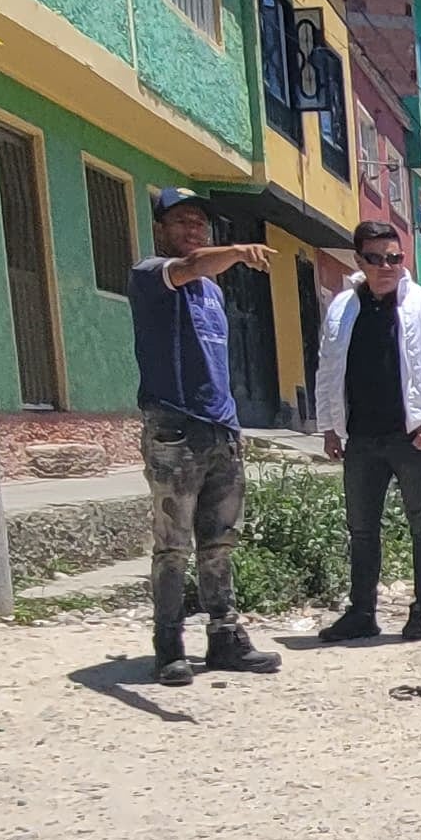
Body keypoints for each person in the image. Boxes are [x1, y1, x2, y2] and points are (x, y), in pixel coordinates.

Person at [127, 190, 281, 686]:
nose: (194, 229)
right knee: (172, 544)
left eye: (200, 223)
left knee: (220, 542)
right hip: (174, 427)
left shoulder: (213, 293)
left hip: (219, 428)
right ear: (161, 229)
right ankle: (168, 644)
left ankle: (225, 637)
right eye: (182, 221)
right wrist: (238, 252)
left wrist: (233, 423)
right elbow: (191, 265)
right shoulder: (152, 275)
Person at [312, 218, 421, 641]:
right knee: (361, 528)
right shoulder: (342, 309)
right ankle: (362, 611)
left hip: (414, 437)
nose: (388, 266)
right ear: (359, 260)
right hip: (361, 438)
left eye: (395, 257)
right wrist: (328, 426)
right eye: (377, 259)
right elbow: (328, 371)